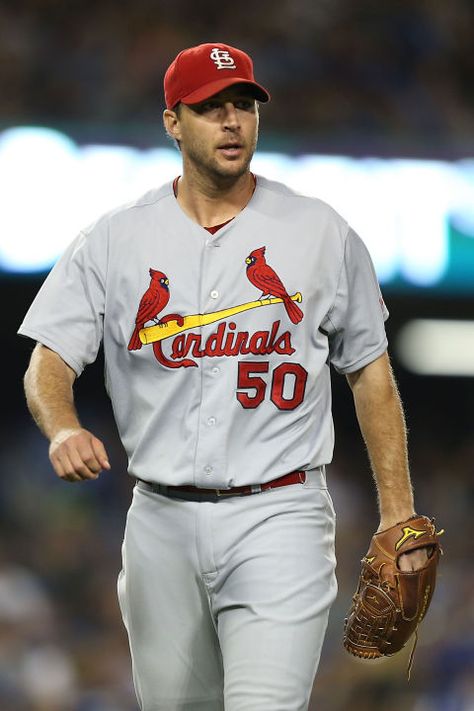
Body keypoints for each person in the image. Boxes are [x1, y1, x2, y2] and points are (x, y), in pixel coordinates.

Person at [18, 42, 429, 711]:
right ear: (172, 123)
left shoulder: (320, 231)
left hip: (281, 512)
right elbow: (50, 358)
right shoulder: (115, 238)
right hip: (159, 518)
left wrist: (399, 513)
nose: (232, 121)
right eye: (210, 108)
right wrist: (62, 426)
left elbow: (370, 372)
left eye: (242, 104)